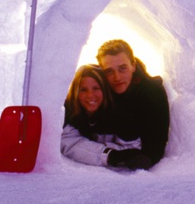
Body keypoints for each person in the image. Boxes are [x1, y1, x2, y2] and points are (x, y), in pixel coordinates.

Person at [96, 39, 170, 169]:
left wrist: (148, 158)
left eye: (122, 68)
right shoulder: (97, 90)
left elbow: (157, 138)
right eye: (109, 71)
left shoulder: (152, 91)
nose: (117, 77)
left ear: (133, 66)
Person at [60, 64, 141, 168]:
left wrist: (91, 149)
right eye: (83, 90)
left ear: (104, 90)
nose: (90, 95)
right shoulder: (69, 113)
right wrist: (109, 155)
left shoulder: (120, 114)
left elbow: (131, 149)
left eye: (96, 88)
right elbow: (70, 144)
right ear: (75, 92)